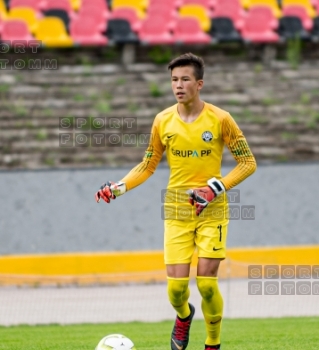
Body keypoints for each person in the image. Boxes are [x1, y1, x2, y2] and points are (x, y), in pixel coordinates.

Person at [95, 53, 257, 350]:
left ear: (199, 84)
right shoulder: (162, 120)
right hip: (176, 211)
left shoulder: (221, 119)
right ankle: (184, 316)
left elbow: (248, 163)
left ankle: (212, 343)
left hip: (212, 210)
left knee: (207, 284)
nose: (178, 85)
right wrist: (117, 188)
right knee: (176, 291)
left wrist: (214, 189)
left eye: (184, 79)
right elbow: (147, 166)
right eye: (174, 80)